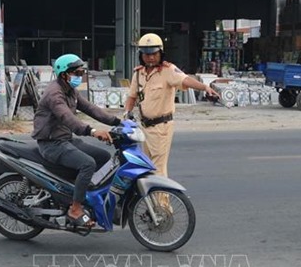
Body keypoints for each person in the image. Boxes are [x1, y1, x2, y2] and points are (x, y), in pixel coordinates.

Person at [32, 54, 121, 227]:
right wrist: (92, 131)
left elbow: (90, 108)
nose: (79, 77)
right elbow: (67, 118)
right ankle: (75, 208)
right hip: (51, 144)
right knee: (87, 164)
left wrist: (118, 122)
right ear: (64, 74)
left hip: (65, 139)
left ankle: (92, 198)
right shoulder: (54, 94)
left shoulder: (70, 90)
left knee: (103, 157)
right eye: (76, 73)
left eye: (81, 73)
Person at [123, 33, 219, 177]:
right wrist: (126, 113)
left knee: (158, 170)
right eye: (146, 54)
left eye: (154, 54)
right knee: (146, 168)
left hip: (161, 127)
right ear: (141, 55)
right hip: (144, 127)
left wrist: (204, 87)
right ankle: (151, 199)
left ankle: (162, 200)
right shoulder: (138, 74)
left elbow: (185, 80)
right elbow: (132, 97)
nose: (150, 58)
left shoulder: (168, 71)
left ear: (161, 53)